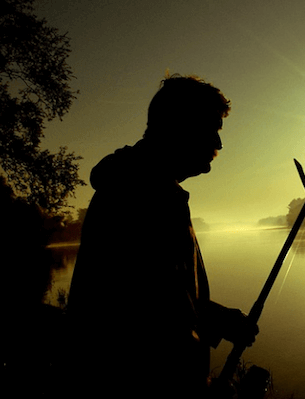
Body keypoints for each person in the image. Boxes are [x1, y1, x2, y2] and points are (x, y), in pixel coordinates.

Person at [67, 74, 258, 397]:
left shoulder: (144, 187)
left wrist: (222, 320)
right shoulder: (142, 196)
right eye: (212, 129)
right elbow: (152, 328)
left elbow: (162, 293)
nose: (219, 144)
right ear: (181, 127)